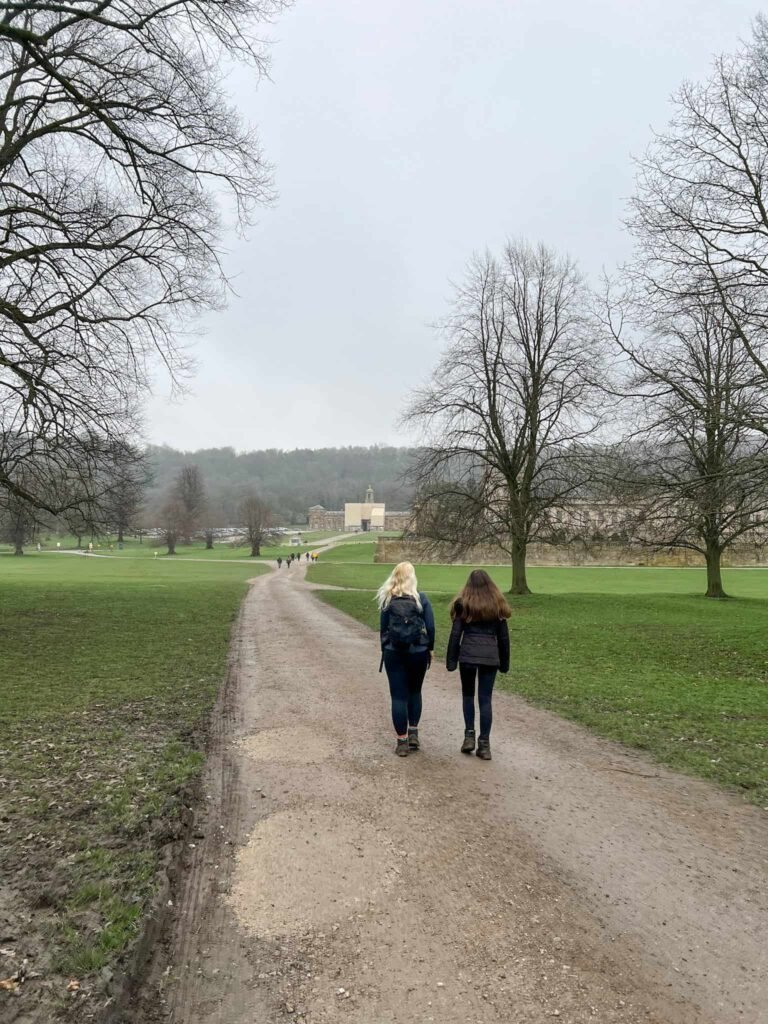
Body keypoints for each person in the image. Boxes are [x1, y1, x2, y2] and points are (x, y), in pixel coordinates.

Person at [446, 570, 511, 761]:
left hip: (468, 656)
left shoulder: (463, 605)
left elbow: (456, 635)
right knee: (485, 699)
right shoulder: (497, 605)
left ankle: (469, 736)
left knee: (468, 696)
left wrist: (452, 659)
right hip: (490, 657)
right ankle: (484, 744)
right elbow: (504, 639)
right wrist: (505, 662)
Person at [378, 561, 435, 757]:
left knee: (398, 696)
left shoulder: (388, 599)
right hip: (417, 651)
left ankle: (401, 741)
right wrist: (431, 648)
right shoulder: (421, 599)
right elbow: (431, 627)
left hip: (394, 652)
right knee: (415, 692)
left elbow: (383, 628)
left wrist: (385, 648)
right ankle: (413, 732)